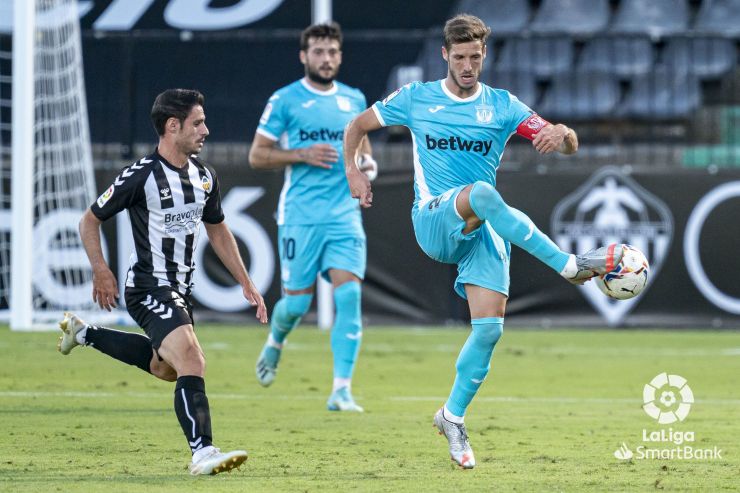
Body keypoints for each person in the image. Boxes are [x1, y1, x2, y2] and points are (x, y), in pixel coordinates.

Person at [343, 14, 624, 468]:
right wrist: (353, 171)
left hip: (481, 227)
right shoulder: (416, 97)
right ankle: (569, 265)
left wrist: (562, 134)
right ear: (445, 55)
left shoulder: (503, 106)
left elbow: (565, 142)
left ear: (484, 54)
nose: (468, 66)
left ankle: (452, 416)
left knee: (490, 330)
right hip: (434, 219)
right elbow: (356, 127)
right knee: (484, 194)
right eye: (459, 57)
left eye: (475, 57)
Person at [58, 89, 268, 476]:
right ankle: (202, 452)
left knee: (166, 368)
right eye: (197, 123)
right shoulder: (141, 175)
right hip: (148, 286)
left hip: (181, 290)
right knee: (192, 359)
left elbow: (218, 229)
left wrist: (246, 282)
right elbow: (89, 220)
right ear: (173, 126)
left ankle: (84, 334)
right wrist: (100, 269)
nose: (206, 130)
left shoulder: (205, 176)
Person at [248, 22, 377, 412]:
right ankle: (276, 341)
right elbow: (257, 155)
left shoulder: (354, 99)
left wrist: (367, 169)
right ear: (304, 56)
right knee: (297, 306)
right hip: (300, 216)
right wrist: (301, 154)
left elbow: (364, 152)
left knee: (349, 294)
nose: (326, 58)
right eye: (319, 52)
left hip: (343, 215)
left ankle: (341, 390)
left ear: (340, 56)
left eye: (332, 52)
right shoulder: (285, 100)